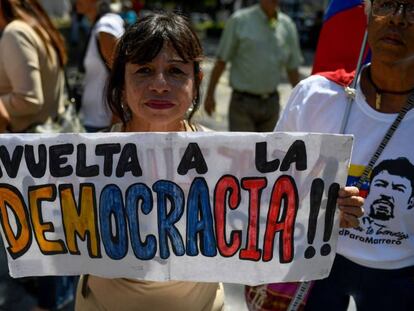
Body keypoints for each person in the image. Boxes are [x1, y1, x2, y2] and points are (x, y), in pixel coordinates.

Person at [75, 12, 224, 311]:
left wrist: (328, 205)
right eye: (143, 70)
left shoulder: (226, 156)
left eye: (176, 71)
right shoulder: (83, 159)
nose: (159, 84)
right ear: (121, 80)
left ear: (197, 80)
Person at [271, 0, 414, 310]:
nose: (397, 19)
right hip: (313, 269)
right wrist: (317, 208)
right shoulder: (314, 97)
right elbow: (269, 189)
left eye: (413, 8)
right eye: (387, 4)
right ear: (366, 12)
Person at [204, 0, 303, 132]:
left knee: (270, 150)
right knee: (243, 150)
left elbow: (292, 68)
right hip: (242, 104)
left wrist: (301, 102)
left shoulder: (287, 25)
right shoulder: (240, 20)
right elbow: (221, 60)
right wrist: (210, 95)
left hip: (271, 104)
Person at [0, 0, 67, 133]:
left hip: (25, 143)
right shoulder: (36, 26)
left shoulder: (16, 32)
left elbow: (29, 100)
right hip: (46, 135)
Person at [76, 0, 125, 132]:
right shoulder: (99, 25)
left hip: (104, 124)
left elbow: (122, 77)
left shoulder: (106, 26)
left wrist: (115, 125)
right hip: (94, 120)